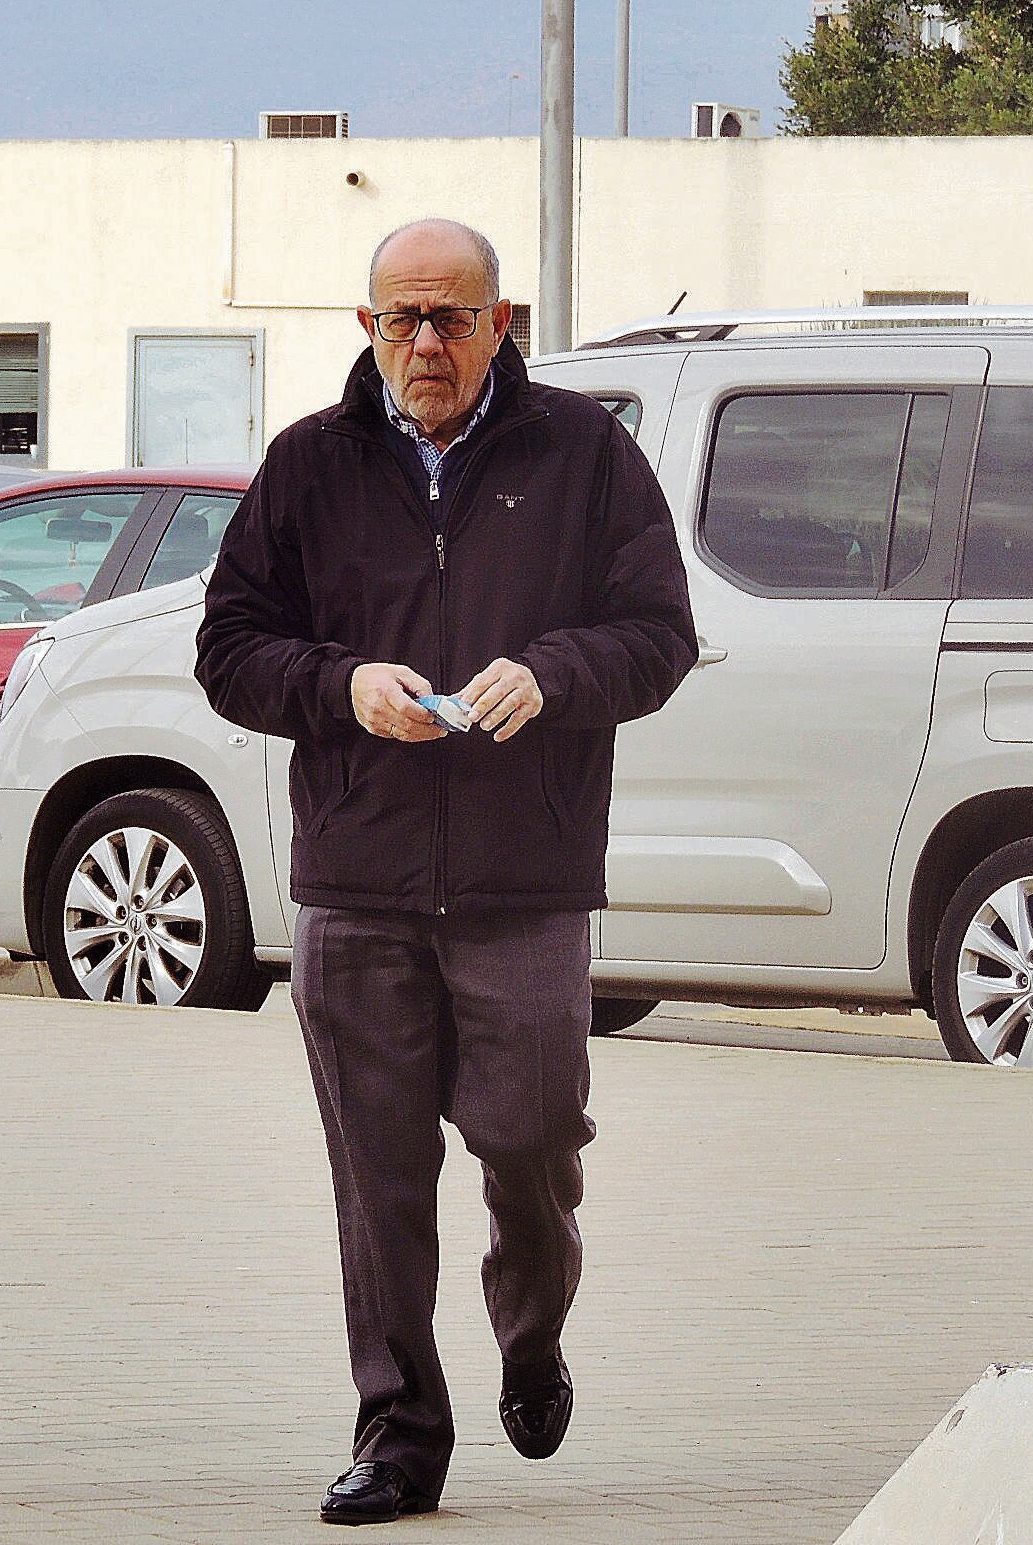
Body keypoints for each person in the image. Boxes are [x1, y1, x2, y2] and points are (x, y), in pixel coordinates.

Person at [194, 219, 697, 1525]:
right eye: (400, 319)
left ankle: (532, 1327)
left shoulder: (584, 454)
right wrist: (342, 687)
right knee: (380, 1180)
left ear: (500, 324)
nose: (425, 343)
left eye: (452, 318)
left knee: (531, 1142)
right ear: (366, 327)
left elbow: (659, 634)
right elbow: (231, 649)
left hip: (525, 886)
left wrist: (556, 672)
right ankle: (399, 1433)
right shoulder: (308, 464)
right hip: (356, 884)